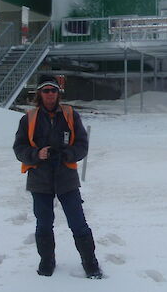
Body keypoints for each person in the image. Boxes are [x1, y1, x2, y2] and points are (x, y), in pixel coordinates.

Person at [12, 75, 103, 279]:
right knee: (43, 223)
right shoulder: (28, 119)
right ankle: (47, 261)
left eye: (53, 90)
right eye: (46, 90)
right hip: (39, 178)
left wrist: (67, 154)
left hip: (66, 177)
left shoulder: (70, 115)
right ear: (39, 93)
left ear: (58, 93)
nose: (50, 94)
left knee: (78, 221)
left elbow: (82, 145)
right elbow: (19, 149)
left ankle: (90, 262)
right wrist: (37, 154)